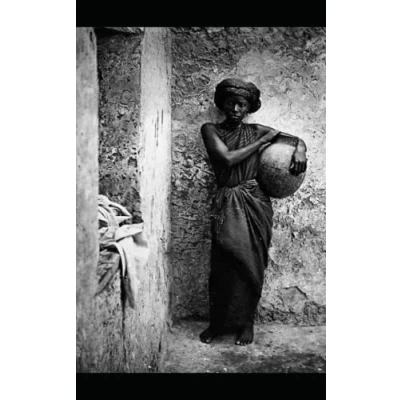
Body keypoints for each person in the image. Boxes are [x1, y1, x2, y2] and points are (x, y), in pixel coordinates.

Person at [199, 78, 307, 346]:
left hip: (255, 202)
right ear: (221, 104)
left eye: (241, 104)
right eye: (230, 103)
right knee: (222, 264)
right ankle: (216, 324)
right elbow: (226, 159)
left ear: (249, 108)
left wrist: (300, 150)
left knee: (251, 265)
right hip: (226, 201)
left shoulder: (257, 130)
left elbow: (294, 139)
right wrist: (261, 143)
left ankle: (246, 324)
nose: (235, 109)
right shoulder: (210, 129)